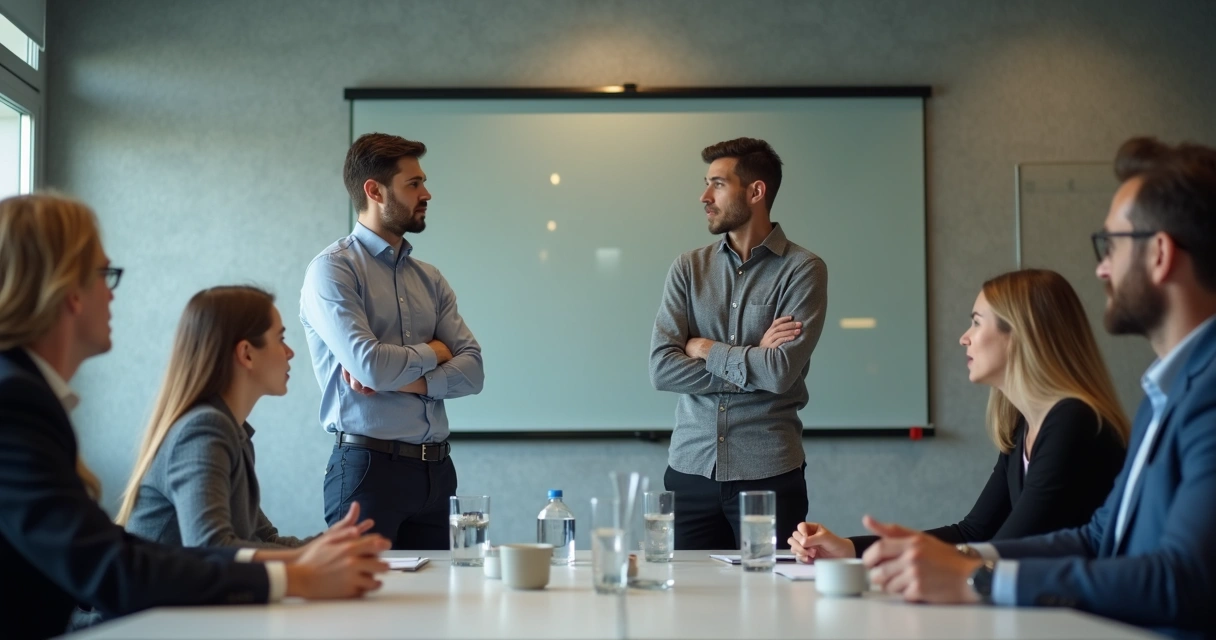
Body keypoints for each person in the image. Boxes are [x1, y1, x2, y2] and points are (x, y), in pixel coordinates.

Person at [855, 138, 1216, 640]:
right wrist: (954, 560)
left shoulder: (1205, 394)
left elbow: (1185, 580)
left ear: (1158, 254)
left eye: (1109, 245)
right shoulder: (1168, 391)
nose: (1101, 268)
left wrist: (979, 579)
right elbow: (1095, 539)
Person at [0, 194, 390, 640]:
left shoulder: (28, 396)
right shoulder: (17, 403)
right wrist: (295, 575)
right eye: (103, 275)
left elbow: (123, 550)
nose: (111, 292)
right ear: (67, 290)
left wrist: (321, 553)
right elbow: (119, 564)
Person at [789, 269, 1129, 560]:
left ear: (1021, 335)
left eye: (977, 323)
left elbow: (1002, 550)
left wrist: (901, 558)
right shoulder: (1024, 424)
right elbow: (974, 531)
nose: (964, 338)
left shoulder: (1072, 422)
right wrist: (850, 548)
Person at [300, 133, 484, 550]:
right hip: (368, 471)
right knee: (364, 610)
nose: (427, 193)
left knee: (438, 608)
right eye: (413, 184)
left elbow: (473, 371)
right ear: (374, 191)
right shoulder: (332, 271)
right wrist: (435, 352)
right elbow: (370, 367)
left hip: (437, 473)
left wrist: (409, 381)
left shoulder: (430, 278)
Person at [649, 137, 827, 549]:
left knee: (774, 602)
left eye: (718, 184)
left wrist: (704, 348)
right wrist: (754, 361)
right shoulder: (688, 269)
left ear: (756, 191)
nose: (704, 196)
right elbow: (662, 368)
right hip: (690, 471)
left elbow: (780, 372)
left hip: (769, 474)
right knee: (687, 605)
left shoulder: (803, 270)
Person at [117, 286, 326, 548]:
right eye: (280, 338)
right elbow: (212, 546)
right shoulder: (203, 429)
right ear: (247, 353)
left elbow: (264, 541)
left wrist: (334, 545)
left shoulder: (230, 430)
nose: (289, 352)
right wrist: (315, 557)